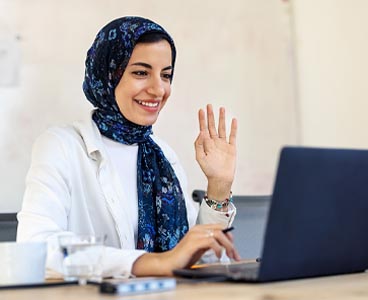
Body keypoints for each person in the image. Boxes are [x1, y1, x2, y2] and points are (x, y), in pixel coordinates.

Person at [17, 16, 240, 278]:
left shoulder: (163, 155)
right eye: (141, 72)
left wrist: (219, 185)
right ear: (108, 75)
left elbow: (192, 255)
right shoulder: (61, 146)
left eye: (166, 75)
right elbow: (37, 248)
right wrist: (152, 264)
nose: (159, 89)